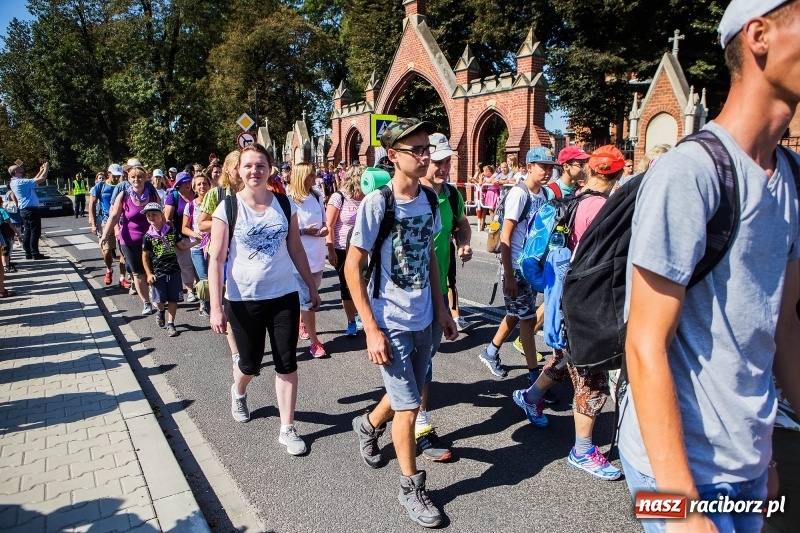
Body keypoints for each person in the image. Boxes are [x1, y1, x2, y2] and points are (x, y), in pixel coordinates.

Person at [621, 2, 800, 532]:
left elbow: (781, 329)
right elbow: (644, 343)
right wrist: (683, 510)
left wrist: (765, 455)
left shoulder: (792, 177)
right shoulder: (689, 174)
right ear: (760, 35)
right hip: (673, 474)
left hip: (747, 462)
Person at [345, 118, 458, 528]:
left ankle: (367, 424)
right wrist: (370, 327)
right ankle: (411, 487)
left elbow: (428, 256)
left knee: (406, 388)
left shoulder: (430, 200)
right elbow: (352, 266)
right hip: (389, 320)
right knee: (409, 405)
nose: (427, 155)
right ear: (394, 156)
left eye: (427, 148)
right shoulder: (378, 203)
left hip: (424, 317)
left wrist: (443, 308)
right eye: (418, 150)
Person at [514, 145, 625, 484]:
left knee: (567, 358)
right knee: (592, 376)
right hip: (589, 304)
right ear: (618, 175)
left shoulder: (573, 201)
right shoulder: (606, 210)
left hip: (567, 298)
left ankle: (530, 397)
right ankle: (582, 450)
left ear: (591, 171)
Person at [208, 143, 320, 457]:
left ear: (269, 168)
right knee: (250, 363)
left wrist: (311, 287)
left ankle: (287, 428)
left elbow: (296, 249)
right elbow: (216, 260)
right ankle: (239, 390)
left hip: (283, 295)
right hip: (243, 299)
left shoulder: (285, 205)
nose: (254, 171)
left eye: (260, 165)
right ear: (238, 172)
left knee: (286, 361)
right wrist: (216, 307)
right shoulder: (227, 208)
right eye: (248, 166)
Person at [416, 132, 473, 461]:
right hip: (406, 294)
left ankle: (372, 422)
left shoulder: (451, 195)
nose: (443, 167)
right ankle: (419, 423)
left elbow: (461, 225)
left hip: (437, 290)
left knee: (424, 362)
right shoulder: (411, 195)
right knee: (419, 366)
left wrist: (463, 242)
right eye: (438, 161)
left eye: (447, 161)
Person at [477, 147, 553, 383]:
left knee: (515, 314)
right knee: (528, 322)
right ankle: (534, 381)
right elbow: (506, 237)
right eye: (543, 166)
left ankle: (490, 352)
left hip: (531, 266)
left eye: (551, 167)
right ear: (529, 167)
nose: (548, 171)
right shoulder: (519, 195)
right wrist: (509, 275)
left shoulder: (545, 194)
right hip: (517, 267)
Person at [99, 166, 160, 315]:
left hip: (151, 239)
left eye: (140, 177)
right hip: (129, 240)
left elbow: (161, 214)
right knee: (138, 273)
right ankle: (146, 302)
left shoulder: (152, 194)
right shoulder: (124, 195)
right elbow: (114, 216)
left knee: (153, 270)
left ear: (145, 178)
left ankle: (156, 295)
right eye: (133, 177)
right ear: (128, 178)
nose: (136, 180)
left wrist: (164, 232)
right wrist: (105, 234)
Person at [199, 151, 242, 359]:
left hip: (243, 254)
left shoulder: (250, 192)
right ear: (227, 169)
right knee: (229, 303)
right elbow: (201, 222)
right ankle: (235, 353)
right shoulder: (215, 194)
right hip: (220, 255)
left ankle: (247, 346)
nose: (242, 173)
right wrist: (224, 222)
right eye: (238, 168)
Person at [287, 162, 329, 358]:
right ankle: (314, 342)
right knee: (309, 300)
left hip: (318, 256)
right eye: (311, 175)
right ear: (301, 177)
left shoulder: (317, 195)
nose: (315, 178)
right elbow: (286, 232)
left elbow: (324, 221)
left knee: (312, 295)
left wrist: (324, 229)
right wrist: (304, 231)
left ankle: (302, 322)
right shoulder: (289, 201)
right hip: (299, 259)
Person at [326, 165, 365, 336]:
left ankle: (363, 315)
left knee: (365, 283)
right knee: (347, 286)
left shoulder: (369, 196)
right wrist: (331, 250)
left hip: (364, 248)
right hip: (342, 249)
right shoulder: (339, 197)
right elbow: (329, 225)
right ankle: (351, 321)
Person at [142, 202, 190, 337]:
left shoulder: (171, 231)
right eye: (148, 215)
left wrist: (198, 241)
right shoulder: (148, 236)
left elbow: (182, 246)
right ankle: (161, 311)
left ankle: (171, 324)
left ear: (162, 215)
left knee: (173, 299)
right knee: (160, 300)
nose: (151, 217)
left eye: (154, 214)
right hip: (158, 272)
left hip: (174, 270)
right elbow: (145, 256)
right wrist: (149, 273)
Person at [89, 164, 126, 286]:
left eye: (118, 176)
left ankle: (122, 277)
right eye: (114, 175)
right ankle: (109, 269)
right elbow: (92, 204)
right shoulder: (101, 186)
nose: (116, 178)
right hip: (106, 221)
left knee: (123, 251)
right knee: (107, 251)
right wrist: (93, 222)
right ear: (108, 173)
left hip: (122, 221)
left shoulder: (123, 186)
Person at [164, 171, 198, 302]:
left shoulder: (195, 194)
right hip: (180, 235)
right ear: (178, 185)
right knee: (186, 264)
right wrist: (175, 235)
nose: (187, 184)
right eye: (184, 183)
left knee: (197, 263)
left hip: (197, 234)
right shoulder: (173, 196)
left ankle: (200, 287)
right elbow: (167, 219)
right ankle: (190, 290)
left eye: (189, 182)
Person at [182, 172, 211, 317]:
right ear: (194, 187)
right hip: (197, 247)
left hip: (213, 245)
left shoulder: (215, 203)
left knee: (213, 276)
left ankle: (210, 303)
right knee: (204, 277)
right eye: (198, 184)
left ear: (209, 185)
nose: (202, 186)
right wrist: (195, 235)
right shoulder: (190, 206)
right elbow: (184, 227)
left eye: (204, 183)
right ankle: (205, 305)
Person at [9, 161, 49, 260]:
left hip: (24, 209)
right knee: (35, 231)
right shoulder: (21, 182)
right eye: (19, 168)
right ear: (17, 171)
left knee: (28, 231)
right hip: (31, 209)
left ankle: (28, 253)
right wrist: (46, 168)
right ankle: (35, 253)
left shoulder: (14, 182)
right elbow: (41, 179)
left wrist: (41, 171)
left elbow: (33, 180)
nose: (21, 168)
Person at [0, 196, 21, 273]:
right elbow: (9, 223)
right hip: (4, 233)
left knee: (2, 249)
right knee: (7, 249)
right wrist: (16, 231)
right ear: (1, 202)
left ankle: (5, 264)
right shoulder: (2, 211)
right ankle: (6, 265)